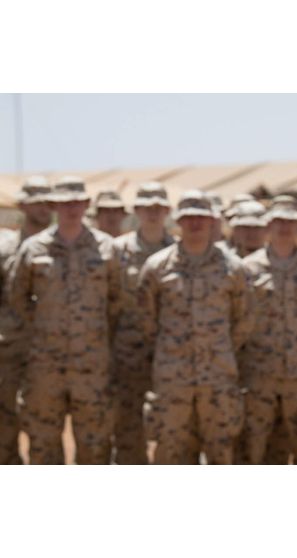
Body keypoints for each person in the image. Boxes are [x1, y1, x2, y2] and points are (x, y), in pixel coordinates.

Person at [7, 177, 120, 464]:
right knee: (44, 444)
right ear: (55, 205)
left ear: (86, 205)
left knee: (94, 445)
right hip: (46, 365)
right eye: (65, 203)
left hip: (91, 365)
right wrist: (45, 326)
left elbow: (117, 299)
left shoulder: (106, 248)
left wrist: (91, 331)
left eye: (77, 202)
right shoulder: (34, 249)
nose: (72, 208)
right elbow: (17, 297)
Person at [138, 190, 253, 465]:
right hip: (172, 382)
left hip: (218, 381)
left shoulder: (233, 268)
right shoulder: (157, 267)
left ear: (213, 220)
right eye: (188, 217)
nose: (195, 223)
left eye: (202, 217)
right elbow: (146, 321)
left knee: (219, 454)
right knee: (170, 454)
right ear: (178, 221)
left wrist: (218, 350)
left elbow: (244, 320)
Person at [239, 201, 297, 464]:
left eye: (291, 222)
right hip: (259, 376)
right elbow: (238, 317)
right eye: (279, 221)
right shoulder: (247, 268)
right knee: (254, 450)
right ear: (268, 224)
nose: (284, 227)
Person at [111, 182, 175, 464]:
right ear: (136, 210)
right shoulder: (117, 250)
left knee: (170, 427)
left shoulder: (178, 250)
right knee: (127, 427)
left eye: (159, 208)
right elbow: (105, 300)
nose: (153, 213)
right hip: (127, 354)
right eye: (147, 207)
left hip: (170, 355)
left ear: (167, 211)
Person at [0, 176, 52, 464]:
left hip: (51, 350)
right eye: (37, 202)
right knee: (5, 425)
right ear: (22, 205)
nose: (44, 208)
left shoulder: (64, 244)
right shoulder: (5, 246)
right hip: (10, 349)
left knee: (45, 426)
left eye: (48, 202)